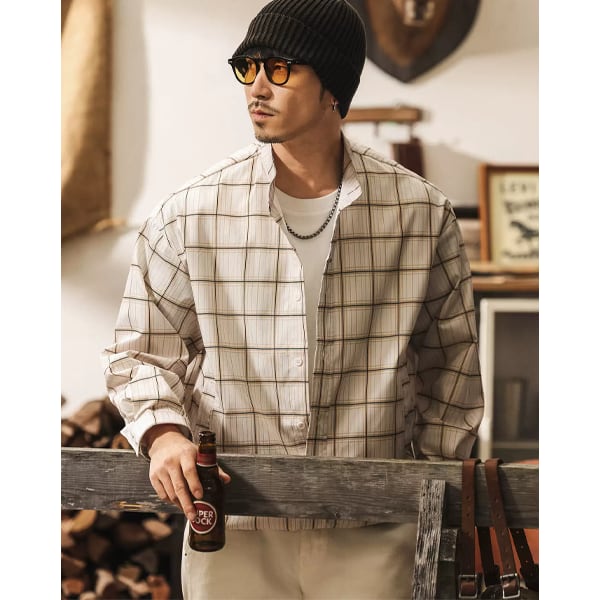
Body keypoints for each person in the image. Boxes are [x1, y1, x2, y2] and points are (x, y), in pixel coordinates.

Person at [102, 0, 484, 597]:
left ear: (334, 86)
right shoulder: (191, 212)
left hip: (374, 529)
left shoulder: (420, 212)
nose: (257, 87)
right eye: (248, 67)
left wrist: (424, 489)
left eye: (280, 69)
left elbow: (452, 364)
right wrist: (164, 434)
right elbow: (140, 353)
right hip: (233, 526)